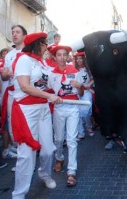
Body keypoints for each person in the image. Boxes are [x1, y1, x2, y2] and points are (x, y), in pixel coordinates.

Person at [11, 32, 61, 199]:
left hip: (43, 109)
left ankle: (44, 174)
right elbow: (24, 86)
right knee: (26, 155)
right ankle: (19, 194)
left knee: (48, 150)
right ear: (36, 44)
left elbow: (47, 85)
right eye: (44, 43)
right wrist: (49, 96)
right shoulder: (24, 59)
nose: (46, 46)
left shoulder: (42, 63)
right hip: (26, 111)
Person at [48, 45, 84, 187]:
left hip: (73, 107)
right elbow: (49, 93)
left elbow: (80, 94)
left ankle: (71, 171)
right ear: (55, 57)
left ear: (68, 56)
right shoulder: (51, 73)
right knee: (58, 139)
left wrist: (79, 86)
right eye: (59, 55)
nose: (62, 58)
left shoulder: (75, 71)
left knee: (72, 140)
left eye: (64, 55)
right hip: (59, 108)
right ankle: (59, 157)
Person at [0, 25, 27, 160]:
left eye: (17, 32)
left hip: (26, 94)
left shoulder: (29, 52)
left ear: (24, 36)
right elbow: (5, 76)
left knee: (26, 123)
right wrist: (4, 74)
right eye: (13, 32)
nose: (14, 34)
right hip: (12, 93)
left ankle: (27, 153)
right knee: (12, 125)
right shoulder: (9, 55)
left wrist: (13, 73)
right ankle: (21, 154)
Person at [74, 51, 95, 140]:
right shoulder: (72, 68)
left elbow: (93, 79)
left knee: (86, 111)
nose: (79, 60)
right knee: (77, 112)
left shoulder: (88, 68)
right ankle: (81, 132)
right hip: (76, 92)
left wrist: (89, 85)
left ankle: (89, 127)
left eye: (80, 58)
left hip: (86, 92)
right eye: (77, 58)